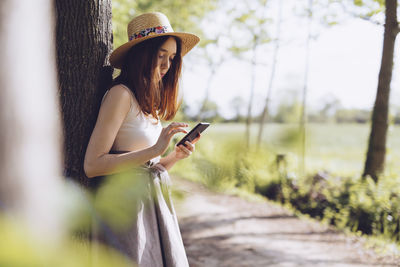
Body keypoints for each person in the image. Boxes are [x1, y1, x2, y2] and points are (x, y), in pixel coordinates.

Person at [84, 12, 200, 267]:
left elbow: (145, 169)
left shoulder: (149, 103)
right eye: (160, 55)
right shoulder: (120, 95)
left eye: (171, 58)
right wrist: (156, 148)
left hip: (151, 204)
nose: (167, 65)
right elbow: (92, 165)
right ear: (142, 54)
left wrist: (172, 157)